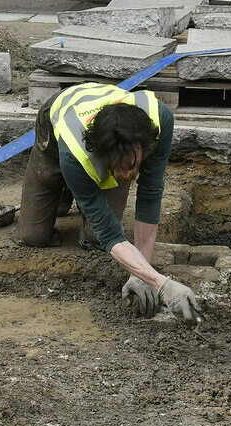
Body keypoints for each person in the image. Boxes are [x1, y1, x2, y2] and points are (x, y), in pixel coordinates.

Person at [18, 82, 203, 322]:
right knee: (33, 236)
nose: (128, 176)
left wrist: (141, 274)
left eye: (133, 166)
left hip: (115, 146)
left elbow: (150, 193)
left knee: (96, 238)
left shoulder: (160, 121)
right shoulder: (74, 154)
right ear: (103, 155)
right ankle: (65, 187)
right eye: (120, 167)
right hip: (56, 138)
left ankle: (83, 185)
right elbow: (112, 235)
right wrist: (161, 283)